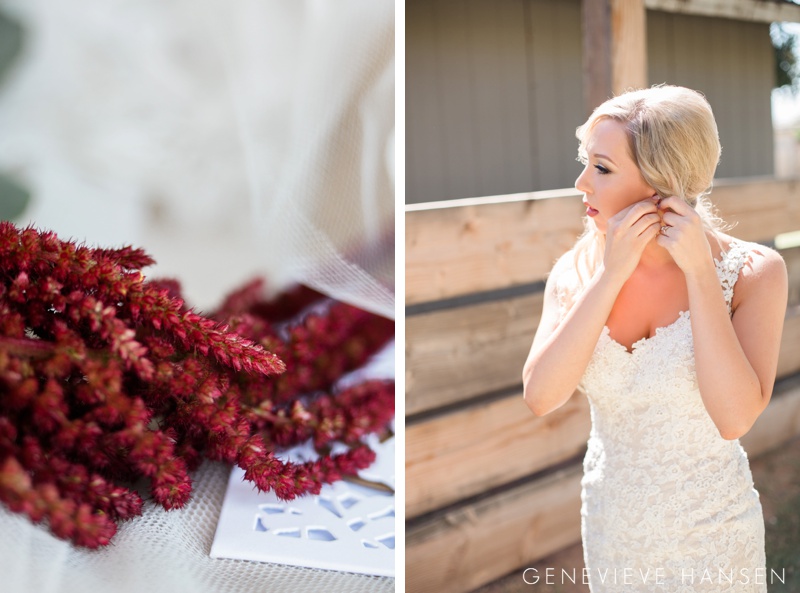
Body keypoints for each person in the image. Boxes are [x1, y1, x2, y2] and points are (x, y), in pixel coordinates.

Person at [521, 85, 788, 592]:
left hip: (714, 536)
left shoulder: (754, 274)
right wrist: (610, 275)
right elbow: (541, 396)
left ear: (661, 183)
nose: (581, 183)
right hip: (614, 530)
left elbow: (734, 419)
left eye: (601, 168)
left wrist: (700, 276)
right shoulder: (575, 273)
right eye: (586, 163)